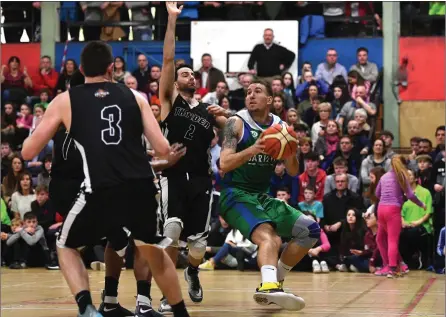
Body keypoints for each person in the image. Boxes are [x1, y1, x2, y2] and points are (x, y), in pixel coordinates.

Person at [22, 41, 190, 317]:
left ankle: (87, 307)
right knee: (152, 250)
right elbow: (162, 148)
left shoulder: (66, 100)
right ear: (112, 68)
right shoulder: (136, 97)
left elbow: (29, 151)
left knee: (65, 245)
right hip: (141, 188)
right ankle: (181, 313)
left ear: (81, 68)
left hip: (100, 187)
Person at [48, 72, 168, 317]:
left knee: (119, 239)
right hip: (81, 188)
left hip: (84, 186)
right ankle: (134, 302)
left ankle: (110, 301)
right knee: (128, 239)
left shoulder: (74, 118)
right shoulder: (83, 125)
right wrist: (155, 165)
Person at [219, 78, 320, 311]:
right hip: (235, 194)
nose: (250, 95)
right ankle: (267, 288)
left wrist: (290, 151)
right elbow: (224, 163)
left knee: (310, 230)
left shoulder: (281, 128)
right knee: (270, 238)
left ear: (271, 100)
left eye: (257, 91)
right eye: (247, 92)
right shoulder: (236, 123)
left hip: (261, 196)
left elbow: (293, 171)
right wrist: (254, 148)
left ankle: (276, 281)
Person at [155, 2, 229, 313]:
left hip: (201, 176)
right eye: (184, 74)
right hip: (174, 174)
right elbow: (169, 58)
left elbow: (229, 138)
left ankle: (192, 272)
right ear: (174, 82)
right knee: (171, 232)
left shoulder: (206, 108)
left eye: (192, 74)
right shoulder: (169, 100)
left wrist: (224, 121)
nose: (190, 77)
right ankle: (169, 294)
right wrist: (172, 19)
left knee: (198, 245)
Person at [374, 155, 426, 278]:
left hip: (381, 209)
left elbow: (377, 193)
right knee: (392, 240)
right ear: (404, 165)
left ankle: (389, 265)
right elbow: (410, 196)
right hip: (393, 210)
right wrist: (421, 204)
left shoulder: (384, 176)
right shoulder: (402, 177)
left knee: (380, 238)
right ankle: (393, 268)